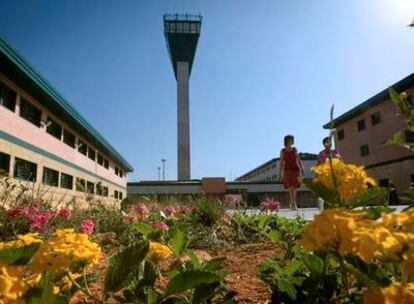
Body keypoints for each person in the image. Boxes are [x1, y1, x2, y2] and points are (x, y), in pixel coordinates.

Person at [278, 135, 305, 210]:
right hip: (287, 170)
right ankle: (294, 204)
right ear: (288, 141)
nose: (293, 141)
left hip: (296, 170)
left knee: (295, 187)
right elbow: (281, 163)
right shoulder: (282, 151)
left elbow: (298, 159)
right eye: (292, 139)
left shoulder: (295, 149)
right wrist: (280, 173)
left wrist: (302, 167)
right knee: (290, 188)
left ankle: (292, 202)